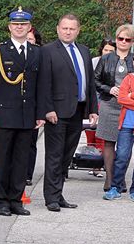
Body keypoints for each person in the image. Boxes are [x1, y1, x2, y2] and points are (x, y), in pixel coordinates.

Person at [37, 14, 99, 211]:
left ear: (78, 31)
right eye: (64, 28)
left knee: (67, 155)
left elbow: (90, 83)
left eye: (72, 29)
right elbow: (43, 83)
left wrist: (92, 109)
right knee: (54, 156)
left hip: (78, 110)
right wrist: (47, 109)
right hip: (57, 112)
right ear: (57, 29)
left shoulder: (84, 51)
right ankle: (51, 198)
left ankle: (59, 193)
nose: (68, 31)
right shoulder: (47, 51)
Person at [0, 7, 43, 217]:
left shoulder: (37, 52)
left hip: (27, 114)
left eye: (23, 25)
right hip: (3, 114)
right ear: (9, 27)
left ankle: (15, 199)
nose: (19, 28)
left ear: (29, 27)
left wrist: (40, 112)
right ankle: (0, 200)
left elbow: (41, 85)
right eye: (15, 24)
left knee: (21, 160)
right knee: (2, 159)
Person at [104, 44, 134, 201]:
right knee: (122, 157)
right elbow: (122, 98)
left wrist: (133, 95)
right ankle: (115, 188)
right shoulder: (129, 78)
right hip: (126, 124)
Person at [94, 25, 134, 192]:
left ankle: (120, 179)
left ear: (133, 41)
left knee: (125, 144)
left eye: (128, 39)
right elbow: (96, 80)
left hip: (129, 106)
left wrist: (131, 94)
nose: (124, 42)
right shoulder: (106, 59)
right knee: (109, 142)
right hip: (108, 103)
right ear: (116, 39)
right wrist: (109, 89)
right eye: (121, 38)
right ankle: (110, 178)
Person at [26, 26, 44, 185]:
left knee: (30, 143)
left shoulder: (40, 57)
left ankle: (27, 175)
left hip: (32, 107)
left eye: (31, 40)